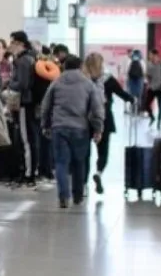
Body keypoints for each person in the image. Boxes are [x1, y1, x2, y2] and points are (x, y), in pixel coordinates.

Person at [39, 55, 104, 208]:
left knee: (61, 163)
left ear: (64, 67)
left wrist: (45, 125)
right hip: (80, 128)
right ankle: (78, 195)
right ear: (80, 66)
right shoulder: (88, 84)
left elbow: (45, 106)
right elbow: (97, 108)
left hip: (59, 127)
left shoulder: (56, 82)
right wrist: (98, 128)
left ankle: (63, 196)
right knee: (79, 162)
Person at [83, 53, 134, 195]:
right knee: (103, 152)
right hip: (104, 119)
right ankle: (98, 173)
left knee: (85, 154)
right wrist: (132, 99)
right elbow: (122, 94)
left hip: (85, 119)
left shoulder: (83, 79)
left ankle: (83, 185)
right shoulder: (108, 79)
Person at [8, 31, 39, 186]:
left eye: (12, 43)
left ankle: (29, 174)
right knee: (28, 138)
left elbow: (23, 83)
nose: (10, 46)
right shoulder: (30, 58)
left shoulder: (23, 61)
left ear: (20, 43)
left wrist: (9, 83)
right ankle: (29, 171)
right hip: (28, 103)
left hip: (25, 103)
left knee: (27, 139)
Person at [145, 49, 161, 130]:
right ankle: (152, 117)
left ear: (155, 55)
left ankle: (159, 123)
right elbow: (148, 75)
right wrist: (148, 80)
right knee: (146, 104)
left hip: (160, 88)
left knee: (160, 106)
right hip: (152, 87)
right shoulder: (149, 64)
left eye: (151, 54)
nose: (150, 56)